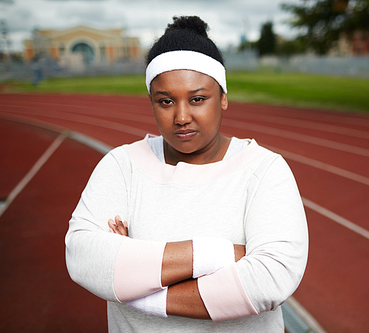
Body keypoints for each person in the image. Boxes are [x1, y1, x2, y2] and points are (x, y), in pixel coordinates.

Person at [65, 16, 308, 332]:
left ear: (222, 98)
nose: (181, 117)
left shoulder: (263, 170)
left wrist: (136, 286)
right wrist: (219, 254)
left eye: (197, 99)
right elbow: (83, 259)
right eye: (165, 101)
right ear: (152, 102)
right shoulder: (121, 165)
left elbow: (270, 279)